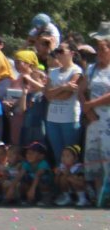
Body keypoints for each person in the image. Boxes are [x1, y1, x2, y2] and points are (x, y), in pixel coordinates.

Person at [80, 23, 110, 206]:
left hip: (108, 118)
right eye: (97, 49)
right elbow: (81, 90)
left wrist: (92, 104)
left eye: (102, 49)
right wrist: (88, 109)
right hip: (94, 119)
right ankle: (100, 195)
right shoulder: (91, 69)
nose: (99, 52)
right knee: (95, 156)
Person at [44, 43, 83, 163]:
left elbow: (67, 96)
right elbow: (47, 94)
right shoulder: (53, 72)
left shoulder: (76, 71)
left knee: (71, 155)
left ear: (72, 53)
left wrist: (55, 92)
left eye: (61, 51)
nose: (58, 54)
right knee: (58, 154)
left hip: (69, 119)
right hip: (52, 119)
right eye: (57, 51)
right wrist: (63, 87)